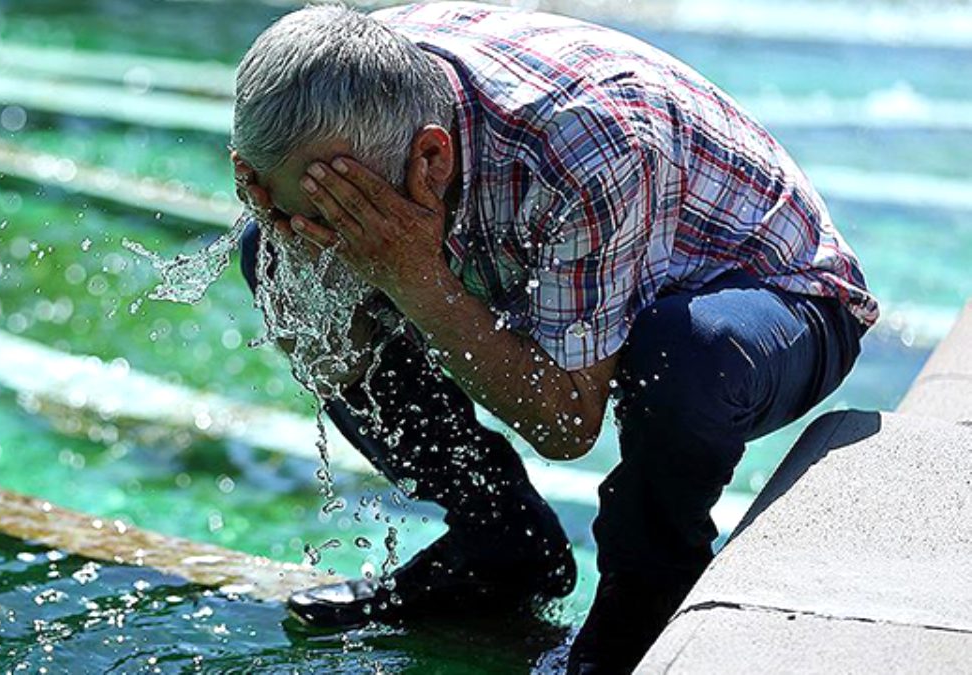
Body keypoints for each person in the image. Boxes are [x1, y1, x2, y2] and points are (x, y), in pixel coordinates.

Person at [230, 3, 876, 672]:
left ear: (429, 157)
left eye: (334, 213)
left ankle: (644, 600)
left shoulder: (591, 141)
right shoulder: (334, 80)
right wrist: (285, 228)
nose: (303, 226)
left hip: (780, 304)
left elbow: (567, 422)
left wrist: (414, 277)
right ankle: (499, 543)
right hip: (558, 247)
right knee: (278, 261)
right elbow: (293, 241)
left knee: (682, 351)